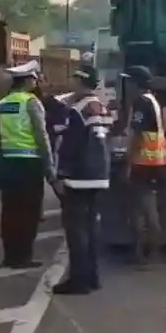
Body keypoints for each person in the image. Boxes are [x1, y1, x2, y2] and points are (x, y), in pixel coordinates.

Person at [52, 66, 112, 295]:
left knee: (76, 229)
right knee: (92, 227)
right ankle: (92, 276)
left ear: (80, 81)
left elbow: (69, 145)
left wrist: (60, 175)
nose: (70, 82)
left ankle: (78, 280)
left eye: (73, 78)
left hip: (79, 176)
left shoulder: (76, 110)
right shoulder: (101, 107)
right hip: (99, 174)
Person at [0, 61, 56, 270]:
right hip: (29, 164)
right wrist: (50, 169)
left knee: (10, 211)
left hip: (7, 162)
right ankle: (24, 256)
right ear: (28, 80)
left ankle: (10, 256)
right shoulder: (32, 102)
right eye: (34, 78)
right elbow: (42, 136)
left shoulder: (2, 103)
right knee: (29, 211)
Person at [120, 65, 166, 267]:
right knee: (148, 207)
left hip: (143, 161)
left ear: (135, 83)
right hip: (156, 161)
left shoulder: (141, 102)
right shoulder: (153, 100)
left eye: (129, 81)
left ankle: (143, 255)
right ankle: (149, 253)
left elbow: (139, 135)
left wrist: (129, 162)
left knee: (142, 209)